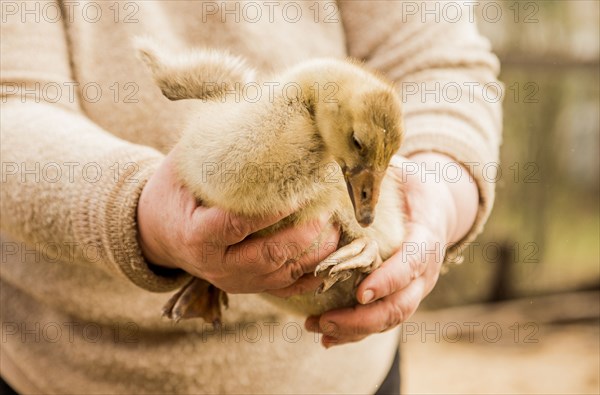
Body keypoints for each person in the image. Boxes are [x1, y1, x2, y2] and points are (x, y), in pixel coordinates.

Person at [0, 1, 502, 393]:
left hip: (334, 377)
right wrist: (137, 212)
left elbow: (440, 64)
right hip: (59, 368)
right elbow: (10, 103)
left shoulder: (332, 153)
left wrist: (440, 196)